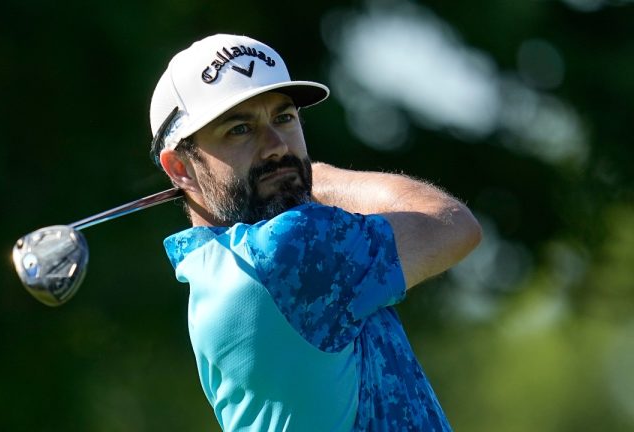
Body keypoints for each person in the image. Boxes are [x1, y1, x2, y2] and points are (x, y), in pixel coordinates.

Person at [148, 34, 482, 432]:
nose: (276, 147)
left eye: (284, 118)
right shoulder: (288, 250)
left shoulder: (209, 273)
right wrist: (320, 176)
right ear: (180, 168)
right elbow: (450, 223)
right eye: (239, 129)